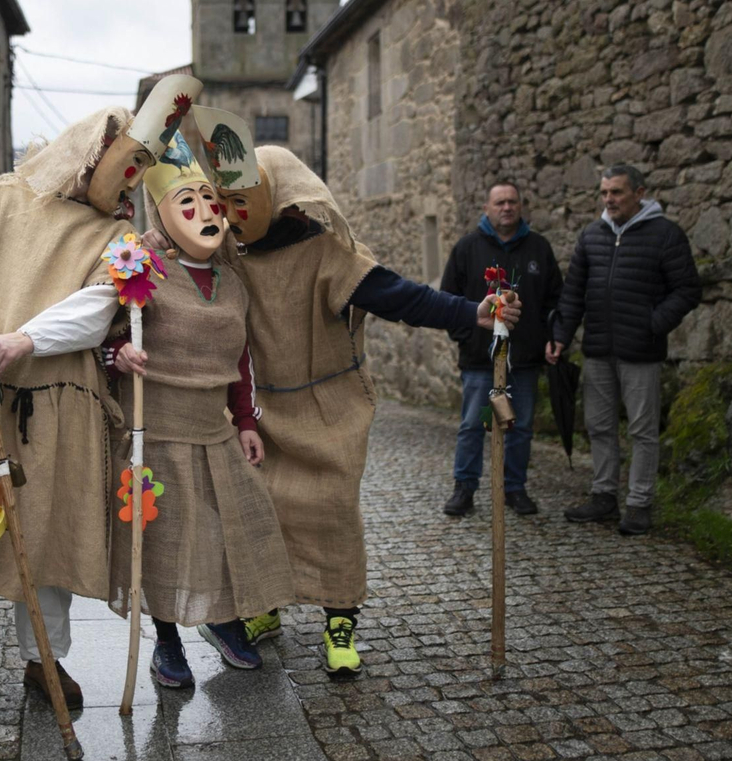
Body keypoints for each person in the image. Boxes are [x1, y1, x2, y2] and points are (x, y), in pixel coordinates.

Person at [0, 78, 197, 709]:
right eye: (126, 161)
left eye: (142, 168)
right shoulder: (5, 197)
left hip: (62, 402)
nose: (131, 178)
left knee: (54, 535)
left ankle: (45, 662)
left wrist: (21, 342)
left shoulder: (120, 240)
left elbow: (96, 308)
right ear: (92, 149)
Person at [203, 145, 517, 678]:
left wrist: (472, 313)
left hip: (331, 406)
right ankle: (265, 607)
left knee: (331, 509)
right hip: (266, 407)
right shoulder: (233, 256)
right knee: (266, 509)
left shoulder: (328, 253)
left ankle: (340, 620)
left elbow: (401, 297)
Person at [105, 121, 294, 688]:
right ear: (161, 214)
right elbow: (102, 332)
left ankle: (225, 620)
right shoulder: (140, 269)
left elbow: (241, 359)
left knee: (232, 527)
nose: (206, 209)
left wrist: (245, 421)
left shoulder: (232, 281)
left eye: (210, 198)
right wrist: (118, 355)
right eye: (188, 199)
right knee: (160, 540)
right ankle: (167, 643)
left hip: (214, 429)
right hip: (154, 431)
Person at [550, 164, 701, 536]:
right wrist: (562, 335)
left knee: (642, 430)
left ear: (639, 192)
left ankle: (639, 504)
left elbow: (687, 290)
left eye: (616, 192)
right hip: (598, 348)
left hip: (641, 350)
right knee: (599, 426)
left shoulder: (665, 235)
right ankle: (603, 496)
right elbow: (573, 292)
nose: (609, 200)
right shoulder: (592, 235)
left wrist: (653, 323)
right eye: (604, 193)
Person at [441, 181, 563, 517]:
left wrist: (549, 337)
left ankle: (514, 488)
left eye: (512, 202)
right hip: (481, 362)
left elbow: (555, 298)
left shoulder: (538, 249)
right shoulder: (467, 248)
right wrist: (466, 337)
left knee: (519, 426)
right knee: (476, 424)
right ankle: (464, 487)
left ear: (521, 206)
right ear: (487, 208)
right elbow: (449, 298)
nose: (506, 207)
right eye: (499, 202)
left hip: (523, 362)